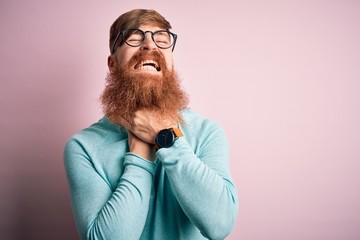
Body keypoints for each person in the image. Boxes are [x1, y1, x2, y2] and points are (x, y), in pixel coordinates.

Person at [64, 9, 238, 240]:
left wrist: (166, 137)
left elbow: (220, 225)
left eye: (162, 40)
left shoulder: (206, 132)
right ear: (112, 63)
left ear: (171, 63)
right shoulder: (83, 146)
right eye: (134, 39)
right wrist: (140, 154)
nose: (150, 45)